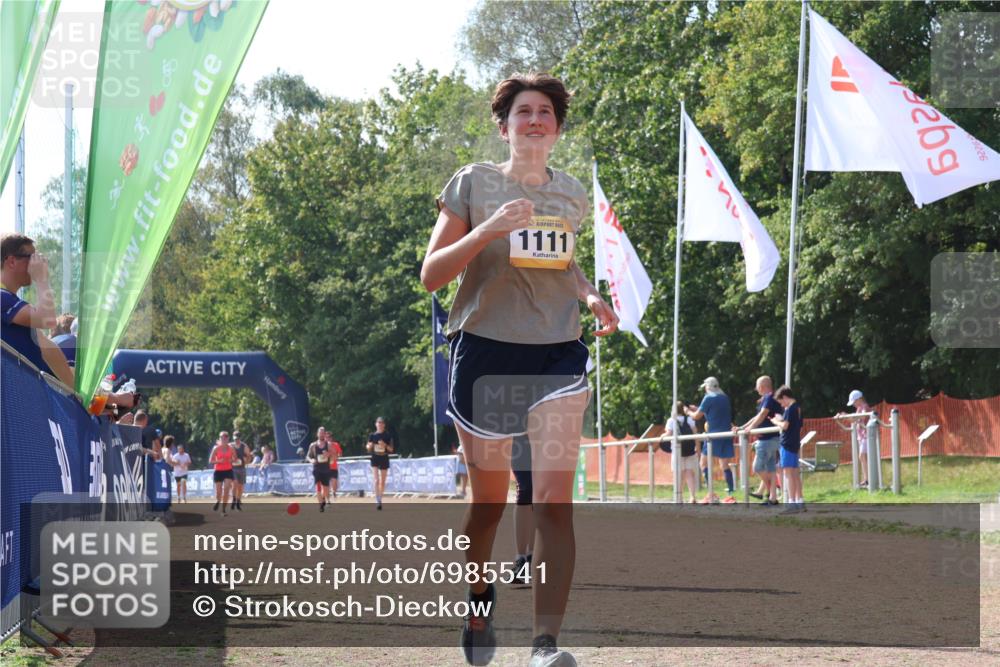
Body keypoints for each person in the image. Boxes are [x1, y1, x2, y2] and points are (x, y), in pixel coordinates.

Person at [420, 72, 618, 667]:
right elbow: (432, 275)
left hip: (558, 354)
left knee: (555, 501)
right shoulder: (473, 183)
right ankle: (479, 596)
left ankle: (544, 645)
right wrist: (487, 229)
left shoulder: (572, 195)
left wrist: (589, 296)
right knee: (489, 506)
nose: (535, 120)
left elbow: (563, 267)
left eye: (546, 113)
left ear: (557, 127)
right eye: (524, 112)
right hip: (486, 353)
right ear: (503, 125)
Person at [0, 233, 74, 387]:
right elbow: (47, 320)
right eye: (32, 257)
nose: (39, 263)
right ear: (12, 261)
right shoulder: (2, 297)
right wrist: (41, 279)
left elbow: (50, 350)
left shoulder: (11, 302)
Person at [686, 377, 735, 504]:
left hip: (713, 435)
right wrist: (698, 407)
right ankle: (731, 494)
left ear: (708, 387)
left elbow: (697, 416)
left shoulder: (708, 398)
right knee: (724, 465)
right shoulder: (725, 398)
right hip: (726, 434)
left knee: (704, 464)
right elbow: (715, 411)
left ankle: (711, 493)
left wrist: (687, 412)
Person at [736, 376, 782, 506]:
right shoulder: (770, 398)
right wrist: (743, 427)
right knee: (771, 469)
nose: (756, 390)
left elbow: (762, 415)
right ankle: (772, 498)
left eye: (757, 387)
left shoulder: (768, 398)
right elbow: (757, 416)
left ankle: (771, 491)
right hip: (772, 438)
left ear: (761, 387)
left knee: (757, 467)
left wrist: (750, 428)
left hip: (767, 439)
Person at [771, 385, 804, 513]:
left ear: (785, 397)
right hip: (795, 443)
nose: (782, 405)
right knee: (795, 474)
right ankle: (799, 501)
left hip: (787, 444)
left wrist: (775, 421)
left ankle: (791, 503)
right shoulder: (798, 408)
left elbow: (785, 426)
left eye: (781, 401)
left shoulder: (790, 409)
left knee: (788, 474)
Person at [510, 435, 534, 586]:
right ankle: (521, 559)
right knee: (526, 489)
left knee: (538, 493)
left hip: (546, 432)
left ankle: (533, 557)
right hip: (519, 433)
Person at [664, 401, 699, 503]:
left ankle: (679, 497)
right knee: (689, 473)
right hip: (690, 450)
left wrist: (662, 437)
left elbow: (669, 433)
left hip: (677, 449)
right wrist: (698, 448)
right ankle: (692, 496)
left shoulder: (671, 421)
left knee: (678, 474)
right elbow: (695, 434)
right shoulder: (689, 419)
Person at [838, 389, 871, 488]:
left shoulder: (864, 407)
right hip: (862, 436)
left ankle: (868, 479)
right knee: (862, 456)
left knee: (862, 456)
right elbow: (854, 420)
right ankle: (867, 479)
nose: (853, 405)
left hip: (867, 436)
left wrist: (846, 416)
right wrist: (844, 417)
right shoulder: (859, 408)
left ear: (859, 399)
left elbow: (862, 418)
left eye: (854, 402)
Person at [366, 417, 394, 510]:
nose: (380, 424)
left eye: (382, 423)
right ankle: (377, 499)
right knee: (376, 480)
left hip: (384, 457)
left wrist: (384, 445)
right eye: (378, 422)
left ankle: (380, 498)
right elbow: (368, 446)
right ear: (376, 424)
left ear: (384, 425)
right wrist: (370, 446)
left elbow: (391, 449)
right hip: (375, 457)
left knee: (383, 481)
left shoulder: (387, 435)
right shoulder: (372, 435)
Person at [209, 431, 235, 515]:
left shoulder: (231, 448)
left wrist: (230, 460)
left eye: (225, 438)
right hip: (218, 471)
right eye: (222, 438)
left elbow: (235, 458)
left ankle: (223, 509)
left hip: (228, 470)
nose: (223, 439)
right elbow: (210, 461)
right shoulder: (216, 448)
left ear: (228, 439)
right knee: (219, 492)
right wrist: (219, 461)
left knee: (226, 489)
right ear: (220, 439)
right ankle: (218, 500)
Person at [307, 429, 333, 512]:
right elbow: (308, 456)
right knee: (318, 487)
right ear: (317, 434)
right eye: (320, 433)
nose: (321, 435)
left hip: (326, 469)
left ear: (324, 434)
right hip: (317, 468)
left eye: (323, 433)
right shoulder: (313, 445)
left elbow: (333, 455)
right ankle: (321, 505)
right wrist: (311, 461)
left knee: (325, 489)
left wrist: (328, 454)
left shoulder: (328, 444)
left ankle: (323, 499)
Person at [230, 431, 252, 511]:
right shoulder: (230, 446)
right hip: (232, 468)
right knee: (234, 484)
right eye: (235, 439)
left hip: (242, 468)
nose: (236, 440)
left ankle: (238, 500)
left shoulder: (244, 446)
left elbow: (249, 456)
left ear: (240, 438)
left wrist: (246, 461)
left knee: (241, 487)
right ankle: (233, 499)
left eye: (238, 439)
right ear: (233, 438)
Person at [325, 433, 343, 501]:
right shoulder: (323, 445)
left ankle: (334, 493)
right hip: (325, 467)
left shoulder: (335, 444)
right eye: (326, 437)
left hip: (334, 467)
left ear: (331, 438)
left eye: (329, 437)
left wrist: (336, 456)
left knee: (334, 482)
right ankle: (327, 498)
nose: (328, 438)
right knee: (326, 484)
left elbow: (340, 453)